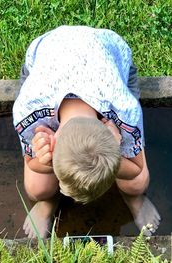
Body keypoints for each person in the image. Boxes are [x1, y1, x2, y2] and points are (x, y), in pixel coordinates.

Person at [12, 25, 160, 239]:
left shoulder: (124, 111)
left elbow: (136, 169)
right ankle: (48, 202)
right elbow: (31, 161)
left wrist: (111, 157)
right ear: (52, 139)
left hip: (110, 55)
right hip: (47, 52)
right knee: (36, 189)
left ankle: (132, 199)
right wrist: (41, 160)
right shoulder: (29, 112)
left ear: (112, 133)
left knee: (137, 183)